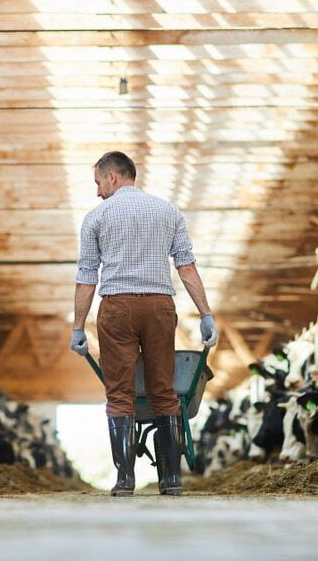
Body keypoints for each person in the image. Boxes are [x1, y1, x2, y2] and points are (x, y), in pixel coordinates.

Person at [70, 151, 217, 497]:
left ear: (112, 177)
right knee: (164, 391)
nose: (97, 192)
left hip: (117, 308)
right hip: (158, 307)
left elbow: (87, 276)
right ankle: (171, 480)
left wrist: (78, 326)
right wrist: (206, 314)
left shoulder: (97, 217)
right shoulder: (168, 212)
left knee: (119, 393)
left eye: (97, 183)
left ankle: (124, 481)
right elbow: (187, 267)